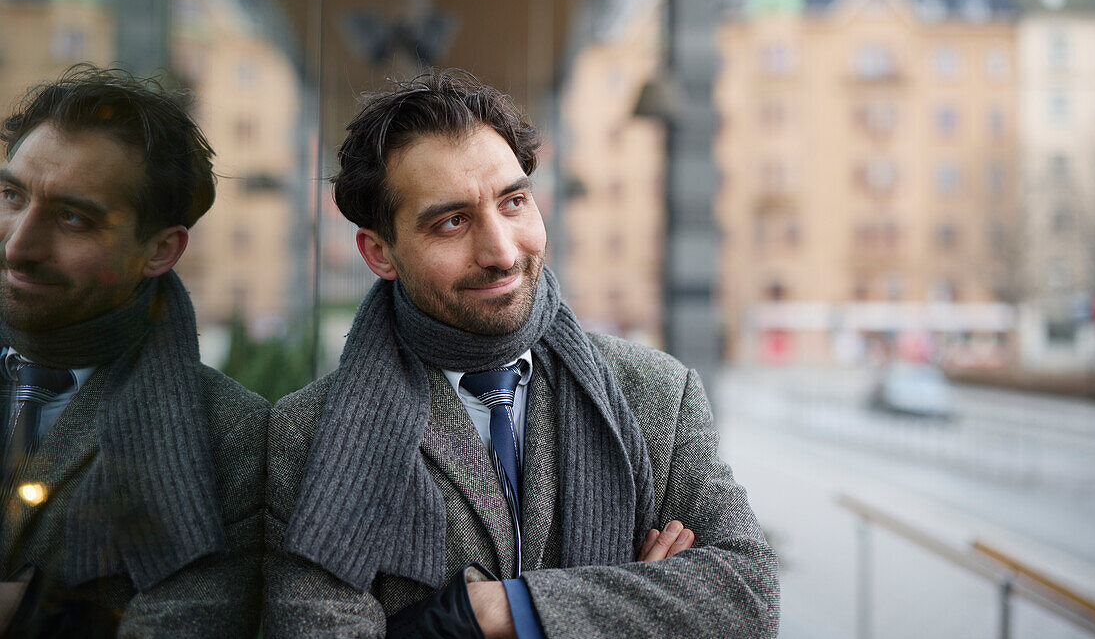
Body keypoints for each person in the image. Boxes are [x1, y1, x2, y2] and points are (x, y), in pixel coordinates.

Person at [265, 70, 779, 638]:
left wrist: (484, 612)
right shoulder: (308, 433)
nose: (502, 252)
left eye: (513, 201)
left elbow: (747, 597)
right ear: (379, 252)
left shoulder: (657, 393)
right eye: (452, 222)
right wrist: (628, 603)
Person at [0, 65, 267, 637]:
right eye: (11, 195)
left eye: (73, 217)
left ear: (160, 250)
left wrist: (31, 614)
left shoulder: (232, 437)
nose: (19, 246)